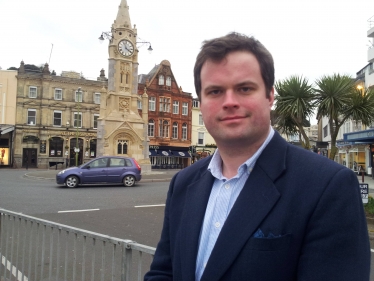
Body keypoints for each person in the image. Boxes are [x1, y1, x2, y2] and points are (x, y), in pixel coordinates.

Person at [144, 33, 370, 281]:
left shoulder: (329, 187)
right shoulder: (183, 183)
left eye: (244, 88)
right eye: (215, 91)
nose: (229, 102)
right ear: (203, 100)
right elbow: (164, 272)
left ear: (270, 95)